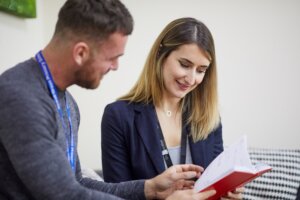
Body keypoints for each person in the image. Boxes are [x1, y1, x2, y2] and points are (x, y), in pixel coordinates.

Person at [0, 1, 217, 200]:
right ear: (81, 53)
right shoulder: (19, 96)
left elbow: (78, 183)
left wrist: (151, 187)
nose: (115, 67)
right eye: (112, 58)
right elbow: (63, 194)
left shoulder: (68, 104)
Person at [101, 17, 244, 199]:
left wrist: (228, 195)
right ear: (161, 54)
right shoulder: (118, 116)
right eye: (185, 65)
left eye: (201, 70)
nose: (192, 79)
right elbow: (115, 196)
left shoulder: (209, 118)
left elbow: (214, 187)